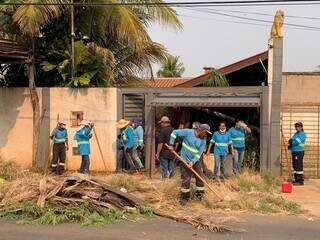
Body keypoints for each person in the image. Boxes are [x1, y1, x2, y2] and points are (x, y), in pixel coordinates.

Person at [168, 124, 211, 205]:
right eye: (206, 133)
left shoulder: (203, 139)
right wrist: (171, 144)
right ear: (202, 130)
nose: (206, 135)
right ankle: (184, 199)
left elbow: (199, 153)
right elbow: (174, 132)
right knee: (186, 180)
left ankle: (199, 197)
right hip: (184, 160)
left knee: (200, 178)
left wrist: (192, 162)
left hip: (195, 161)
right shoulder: (188, 132)